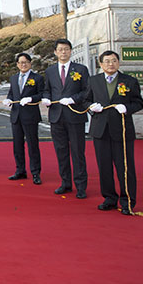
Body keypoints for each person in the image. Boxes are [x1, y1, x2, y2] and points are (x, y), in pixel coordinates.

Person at [86, 50, 143, 215]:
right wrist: (91, 107)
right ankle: (109, 198)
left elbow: (138, 103)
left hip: (122, 130)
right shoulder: (93, 81)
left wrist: (127, 108)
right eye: (107, 61)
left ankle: (128, 201)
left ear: (118, 63)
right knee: (104, 167)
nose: (110, 64)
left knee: (125, 167)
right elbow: (85, 99)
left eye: (113, 61)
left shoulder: (129, 81)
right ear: (101, 64)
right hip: (101, 130)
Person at [42, 39, 90, 199]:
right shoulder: (50, 71)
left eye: (67, 49)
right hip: (56, 116)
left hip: (75, 115)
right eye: (60, 49)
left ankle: (81, 186)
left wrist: (73, 99)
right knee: (61, 152)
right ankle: (65, 183)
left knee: (78, 152)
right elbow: (47, 90)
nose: (63, 52)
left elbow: (86, 91)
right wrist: (46, 99)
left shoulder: (81, 69)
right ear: (55, 52)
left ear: (71, 51)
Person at [3, 53, 44, 185]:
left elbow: (41, 93)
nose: (23, 64)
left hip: (30, 115)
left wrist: (31, 99)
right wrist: (8, 99)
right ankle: (20, 170)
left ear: (30, 63)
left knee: (32, 145)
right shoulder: (14, 78)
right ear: (17, 64)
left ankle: (35, 172)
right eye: (20, 62)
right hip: (16, 115)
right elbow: (11, 92)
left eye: (26, 62)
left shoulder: (37, 78)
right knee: (17, 145)